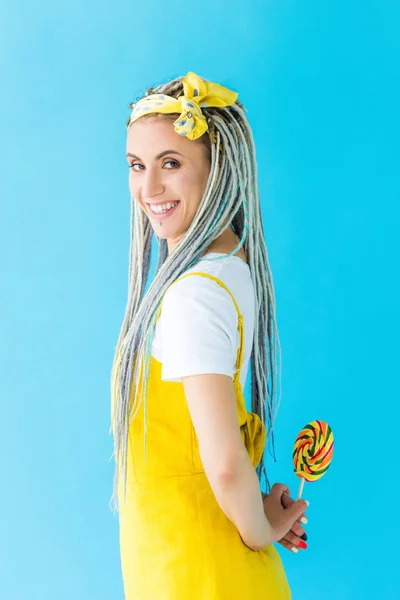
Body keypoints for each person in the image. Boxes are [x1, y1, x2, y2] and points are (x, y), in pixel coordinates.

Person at [110, 71, 309, 599]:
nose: (148, 189)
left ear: (216, 168)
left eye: (170, 164)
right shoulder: (227, 264)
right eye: (137, 166)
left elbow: (223, 464)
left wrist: (260, 528)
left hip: (196, 575)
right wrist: (255, 519)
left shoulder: (194, 296)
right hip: (209, 561)